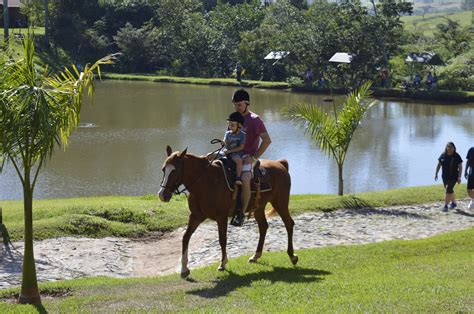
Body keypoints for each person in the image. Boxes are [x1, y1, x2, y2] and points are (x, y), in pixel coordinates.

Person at [230, 89, 271, 226]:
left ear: (247, 103)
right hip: (233, 154)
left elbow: (267, 140)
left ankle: (241, 213)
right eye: (235, 105)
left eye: (239, 105)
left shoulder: (255, 120)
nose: (237, 108)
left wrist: (254, 157)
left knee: (246, 179)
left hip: (248, 157)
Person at [435, 142, 463, 212]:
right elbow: (439, 165)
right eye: (448, 147)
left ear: (454, 148)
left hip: (454, 177)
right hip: (444, 176)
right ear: (446, 148)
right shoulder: (443, 155)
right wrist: (436, 173)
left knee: (448, 189)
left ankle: (445, 206)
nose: (450, 148)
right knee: (449, 190)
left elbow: (460, 167)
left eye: (451, 147)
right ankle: (453, 203)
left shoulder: (456, 156)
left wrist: (459, 177)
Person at [223, 112, 246, 185]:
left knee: (239, 161)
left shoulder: (242, 135)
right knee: (210, 155)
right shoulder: (227, 133)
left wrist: (230, 151)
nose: (230, 127)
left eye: (232, 125)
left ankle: (238, 177)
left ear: (239, 125)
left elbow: (241, 147)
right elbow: (224, 141)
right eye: (229, 125)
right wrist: (223, 143)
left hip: (235, 153)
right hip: (226, 152)